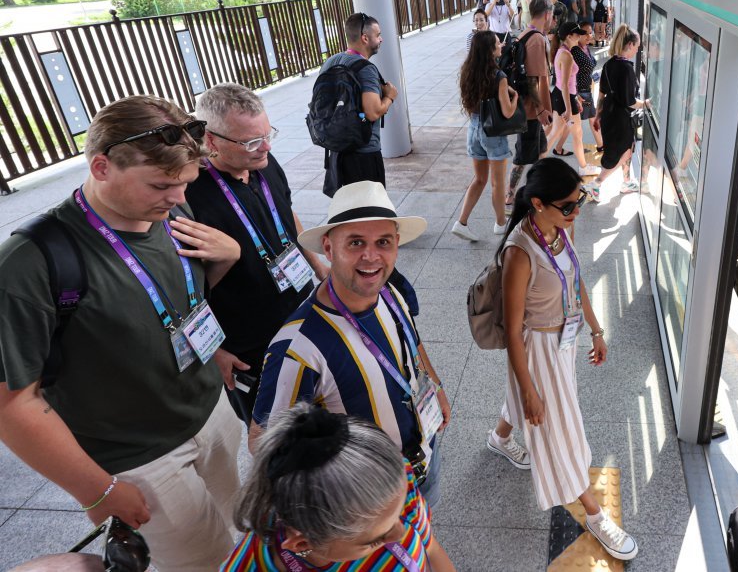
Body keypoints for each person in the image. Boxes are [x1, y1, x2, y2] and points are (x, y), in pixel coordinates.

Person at [0, 95, 244, 572]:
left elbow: (171, 302)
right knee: (205, 562)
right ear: (102, 166)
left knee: (239, 523)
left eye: (185, 184)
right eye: (161, 185)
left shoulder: (167, 210)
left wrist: (226, 265)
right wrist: (98, 489)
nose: (178, 198)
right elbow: (14, 404)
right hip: (141, 455)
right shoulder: (28, 263)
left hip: (210, 411)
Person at [251, 181, 459, 512]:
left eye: (384, 242)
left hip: (423, 458)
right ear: (329, 248)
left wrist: (436, 386)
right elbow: (265, 441)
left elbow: (412, 342)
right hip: (366, 499)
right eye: (356, 242)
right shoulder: (298, 346)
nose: (371, 256)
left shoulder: (390, 294)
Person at [494, 158, 638, 561]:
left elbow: (576, 283)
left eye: (582, 200)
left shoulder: (558, 230)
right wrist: (528, 390)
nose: (577, 211)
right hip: (538, 347)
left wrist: (596, 329)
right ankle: (594, 514)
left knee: (552, 408)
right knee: (560, 428)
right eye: (570, 205)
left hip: (565, 338)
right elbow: (512, 330)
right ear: (538, 203)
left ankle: (500, 437)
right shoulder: (521, 253)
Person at [187, 83, 328, 425]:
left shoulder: (264, 160)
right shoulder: (188, 194)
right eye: (250, 141)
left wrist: (318, 265)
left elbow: (286, 211)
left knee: (323, 408)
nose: (264, 147)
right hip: (247, 342)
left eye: (268, 134)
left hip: (303, 311)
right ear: (211, 141)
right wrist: (213, 352)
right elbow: (179, 288)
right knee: (275, 430)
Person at [223, 403, 455, 571]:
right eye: (375, 540)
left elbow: (430, 548)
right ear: (303, 544)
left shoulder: (391, 482)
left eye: (399, 514)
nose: (402, 533)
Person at [319, 12, 399, 196]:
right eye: (378, 35)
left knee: (349, 208)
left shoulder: (331, 62)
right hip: (364, 154)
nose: (381, 39)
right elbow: (372, 112)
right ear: (365, 38)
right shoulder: (365, 69)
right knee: (372, 211)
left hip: (337, 152)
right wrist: (389, 96)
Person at [451, 30, 520, 242]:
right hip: (493, 133)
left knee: (479, 179)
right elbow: (508, 112)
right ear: (490, 50)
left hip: (473, 129)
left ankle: (461, 222)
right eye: (498, 44)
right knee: (497, 183)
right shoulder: (499, 76)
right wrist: (515, 96)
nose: (501, 46)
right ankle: (500, 224)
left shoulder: (468, 71)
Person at [586, 25, 648, 199]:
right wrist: (647, 104)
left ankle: (626, 181)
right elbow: (630, 102)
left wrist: (599, 115)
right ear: (629, 45)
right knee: (622, 153)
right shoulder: (626, 69)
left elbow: (601, 93)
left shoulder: (609, 64)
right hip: (621, 118)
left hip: (609, 114)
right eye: (637, 46)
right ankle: (596, 184)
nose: (638, 50)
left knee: (621, 150)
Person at [505, 0, 555, 209]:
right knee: (523, 154)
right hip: (530, 110)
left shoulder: (527, 33)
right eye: (552, 16)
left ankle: (541, 185)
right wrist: (541, 109)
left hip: (528, 108)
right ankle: (510, 195)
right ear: (547, 15)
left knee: (541, 148)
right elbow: (533, 80)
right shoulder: (536, 39)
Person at [547, 22, 600, 177]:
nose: (580, 35)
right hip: (565, 98)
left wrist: (575, 97)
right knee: (570, 134)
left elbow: (567, 83)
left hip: (562, 96)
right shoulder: (567, 55)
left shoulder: (563, 51)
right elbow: (564, 84)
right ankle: (583, 167)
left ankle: (539, 162)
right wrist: (570, 107)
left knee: (563, 133)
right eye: (577, 33)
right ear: (569, 36)